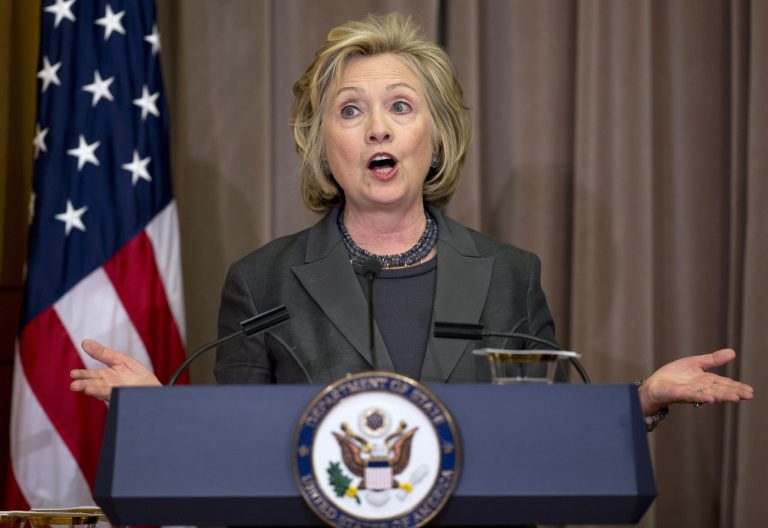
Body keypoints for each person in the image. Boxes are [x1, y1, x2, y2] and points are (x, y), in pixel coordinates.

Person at [70, 13, 753, 426]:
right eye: (349, 110)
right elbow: (236, 449)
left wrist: (643, 401)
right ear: (321, 143)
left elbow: (546, 435)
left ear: (438, 134)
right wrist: (156, 411)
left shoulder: (511, 276)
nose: (377, 130)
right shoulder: (262, 284)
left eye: (400, 106)